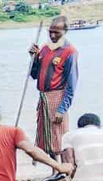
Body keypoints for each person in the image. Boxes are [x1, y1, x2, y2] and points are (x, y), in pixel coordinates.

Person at [29, 15, 78, 159]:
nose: (52, 35)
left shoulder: (70, 51)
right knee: (47, 138)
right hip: (43, 98)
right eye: (50, 32)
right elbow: (34, 75)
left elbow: (72, 84)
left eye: (56, 32)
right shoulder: (44, 48)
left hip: (57, 97)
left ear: (65, 31)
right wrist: (33, 58)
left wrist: (62, 109)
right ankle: (54, 169)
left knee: (60, 137)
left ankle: (67, 167)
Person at [60, 113, 103, 181]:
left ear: (79, 127)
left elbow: (69, 163)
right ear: (99, 126)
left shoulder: (69, 136)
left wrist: (72, 178)